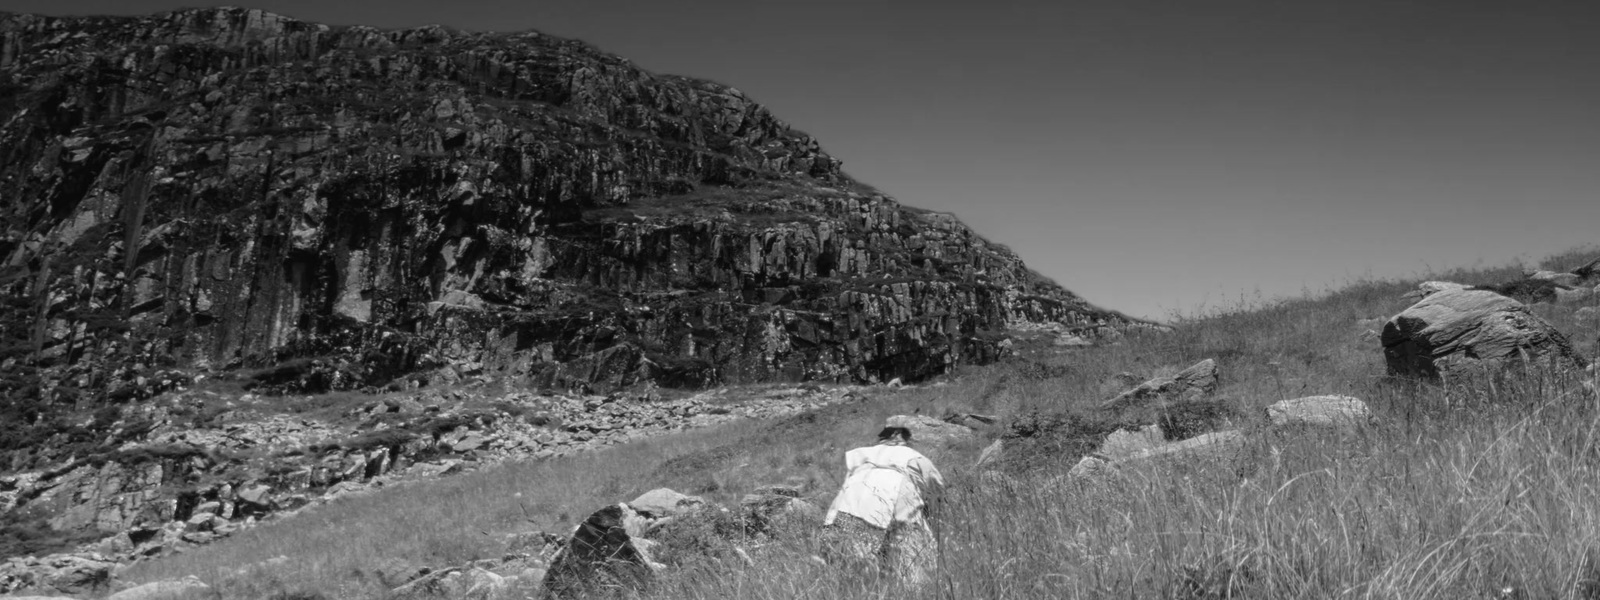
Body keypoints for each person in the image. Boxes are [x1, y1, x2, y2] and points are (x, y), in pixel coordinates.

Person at [822, 415, 946, 586]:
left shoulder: (862, 454)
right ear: (900, 435)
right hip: (897, 488)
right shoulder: (915, 457)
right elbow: (937, 490)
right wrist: (932, 514)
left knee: (853, 563)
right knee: (916, 556)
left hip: (852, 497)